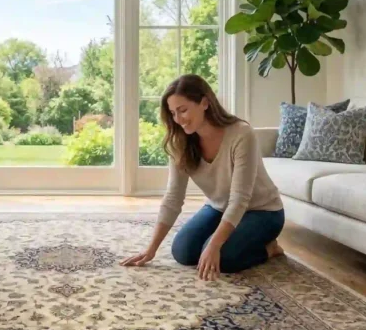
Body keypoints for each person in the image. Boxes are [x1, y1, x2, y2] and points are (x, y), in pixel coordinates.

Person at [120, 74, 286, 281]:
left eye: (183, 110)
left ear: (205, 103)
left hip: (263, 212)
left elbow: (240, 198)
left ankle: (270, 248)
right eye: (173, 113)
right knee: (183, 252)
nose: (178, 119)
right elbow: (173, 198)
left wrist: (215, 245)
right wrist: (151, 249)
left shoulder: (241, 134)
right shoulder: (180, 142)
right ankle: (227, 242)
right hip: (219, 207)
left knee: (222, 258)